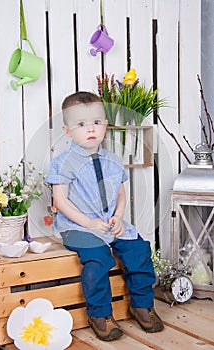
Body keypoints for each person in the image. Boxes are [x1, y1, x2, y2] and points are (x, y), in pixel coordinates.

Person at [46, 91, 164, 341]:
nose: (90, 129)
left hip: (110, 223)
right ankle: (100, 314)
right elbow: (61, 201)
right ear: (68, 131)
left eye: (96, 122)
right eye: (81, 124)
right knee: (98, 259)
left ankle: (142, 305)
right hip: (78, 225)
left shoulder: (113, 160)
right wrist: (88, 222)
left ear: (105, 126)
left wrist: (119, 217)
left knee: (139, 250)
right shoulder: (62, 162)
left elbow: (121, 194)